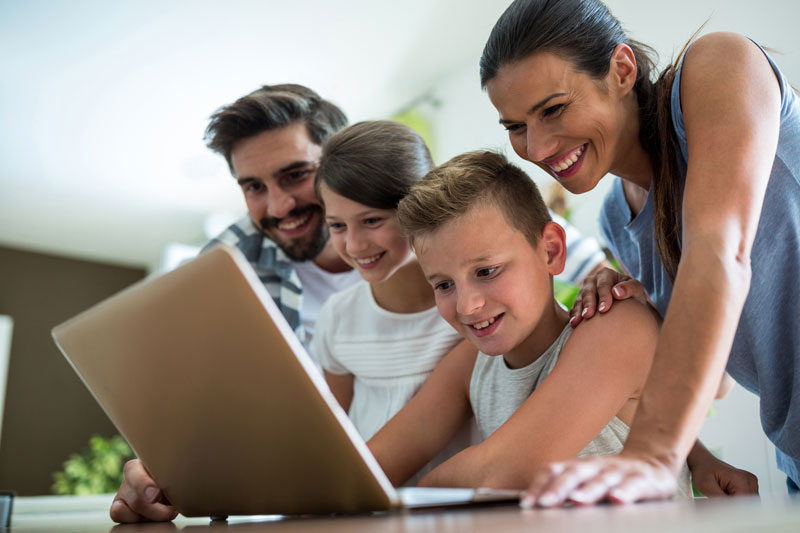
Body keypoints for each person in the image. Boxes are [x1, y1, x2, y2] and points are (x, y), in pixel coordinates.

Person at [480, 0, 792, 504]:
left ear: (622, 70)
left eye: (553, 109)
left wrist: (653, 455)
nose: (536, 149)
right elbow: (716, 383)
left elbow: (718, 253)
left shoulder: (720, 65)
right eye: (515, 127)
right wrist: (638, 308)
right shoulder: (615, 218)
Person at [365, 150, 692, 492]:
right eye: (444, 284)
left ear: (550, 251)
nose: (468, 305)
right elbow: (372, 465)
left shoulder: (617, 325)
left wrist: (422, 493)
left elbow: (503, 473)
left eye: (486, 271)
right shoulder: (470, 364)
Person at [311, 120, 475, 484]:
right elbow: (335, 432)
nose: (353, 245)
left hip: (456, 503)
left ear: (418, 204)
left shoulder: (472, 307)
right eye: (337, 225)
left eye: (371, 220)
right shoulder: (338, 317)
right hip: (370, 503)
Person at [202, 84, 362, 346]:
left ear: (344, 163)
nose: (278, 208)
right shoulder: (223, 267)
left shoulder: (418, 229)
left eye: (296, 175)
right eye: (254, 187)